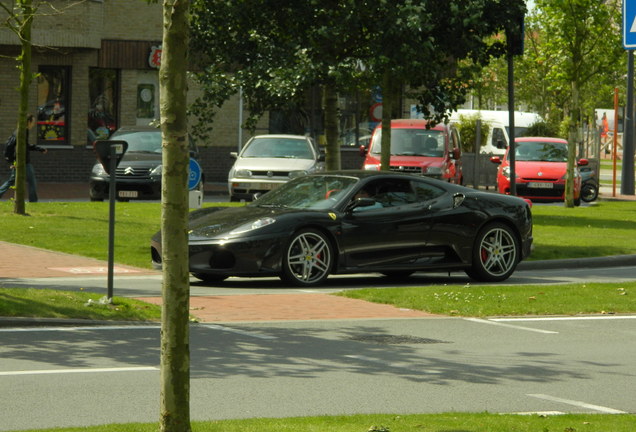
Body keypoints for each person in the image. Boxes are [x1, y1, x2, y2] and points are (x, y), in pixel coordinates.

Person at [0, 114, 48, 202]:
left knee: (12, 181)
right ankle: (33, 200)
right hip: (22, 162)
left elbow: (25, 146)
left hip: (22, 161)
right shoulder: (21, 132)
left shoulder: (22, 131)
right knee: (31, 181)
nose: (33, 124)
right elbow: (9, 146)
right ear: (28, 122)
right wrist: (12, 161)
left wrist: (39, 149)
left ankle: (33, 200)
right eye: (33, 122)